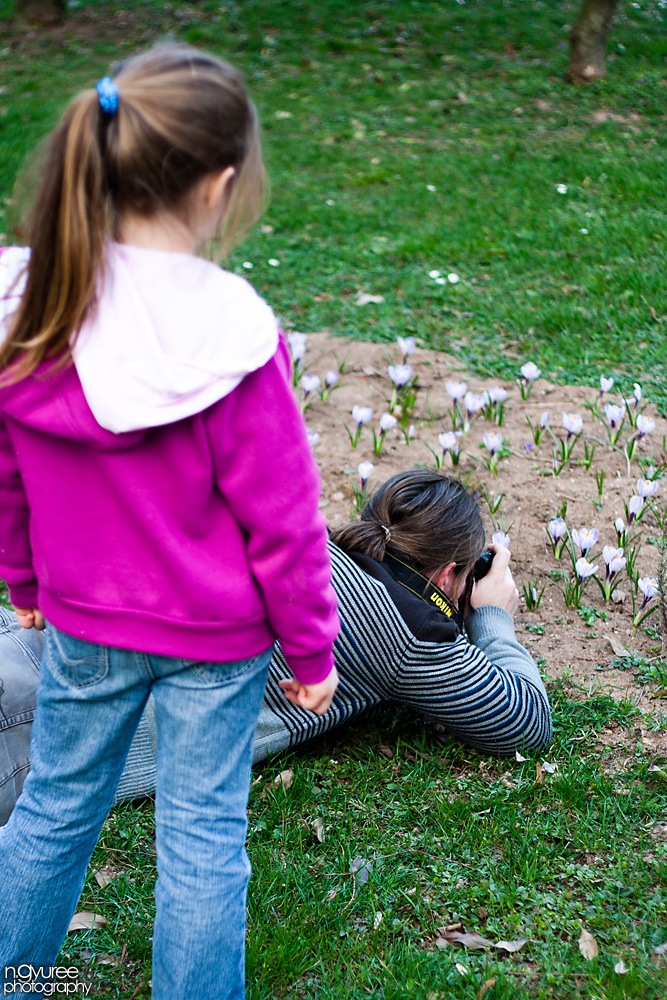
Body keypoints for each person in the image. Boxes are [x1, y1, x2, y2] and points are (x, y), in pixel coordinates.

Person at [0, 45, 339, 999]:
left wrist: (23, 581)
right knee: (201, 838)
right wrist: (311, 651)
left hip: (82, 622)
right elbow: (283, 519)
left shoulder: (31, 306)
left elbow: (8, 475)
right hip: (216, 640)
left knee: (56, 808)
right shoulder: (229, 331)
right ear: (220, 185)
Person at [1, 471, 552, 826]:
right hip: (38, 731)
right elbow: (525, 722)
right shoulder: (404, 630)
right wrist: (494, 614)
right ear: (451, 572)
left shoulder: (295, 540)